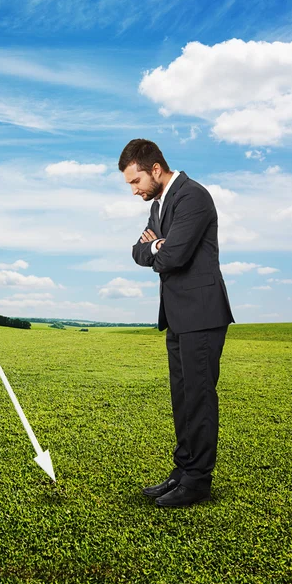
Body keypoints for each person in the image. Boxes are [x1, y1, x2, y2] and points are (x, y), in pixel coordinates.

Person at [119, 138, 235, 507]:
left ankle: (198, 481)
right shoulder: (161, 203)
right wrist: (155, 246)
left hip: (202, 313)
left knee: (199, 398)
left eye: (136, 182)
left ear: (155, 169)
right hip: (178, 315)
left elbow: (177, 256)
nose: (134, 191)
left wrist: (161, 249)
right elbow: (140, 251)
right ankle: (183, 471)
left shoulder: (193, 196)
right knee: (183, 398)